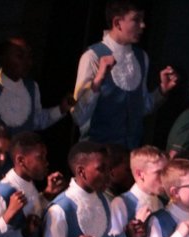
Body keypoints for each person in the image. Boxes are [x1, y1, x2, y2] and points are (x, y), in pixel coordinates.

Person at [71, 0, 178, 147]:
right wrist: (98, 80)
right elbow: (78, 115)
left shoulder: (141, 58)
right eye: (136, 19)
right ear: (117, 23)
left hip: (128, 155)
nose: (143, 25)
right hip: (98, 154)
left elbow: (140, 108)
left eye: (143, 19)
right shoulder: (92, 57)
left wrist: (162, 91)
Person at [0, 36, 73, 135]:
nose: (27, 62)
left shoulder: (32, 87)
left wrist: (61, 109)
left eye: (29, 56)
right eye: (20, 56)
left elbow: (36, 121)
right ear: (3, 58)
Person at [106, 145, 165, 237]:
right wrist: (133, 234)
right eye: (159, 173)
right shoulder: (121, 204)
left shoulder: (160, 203)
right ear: (140, 174)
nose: (165, 178)